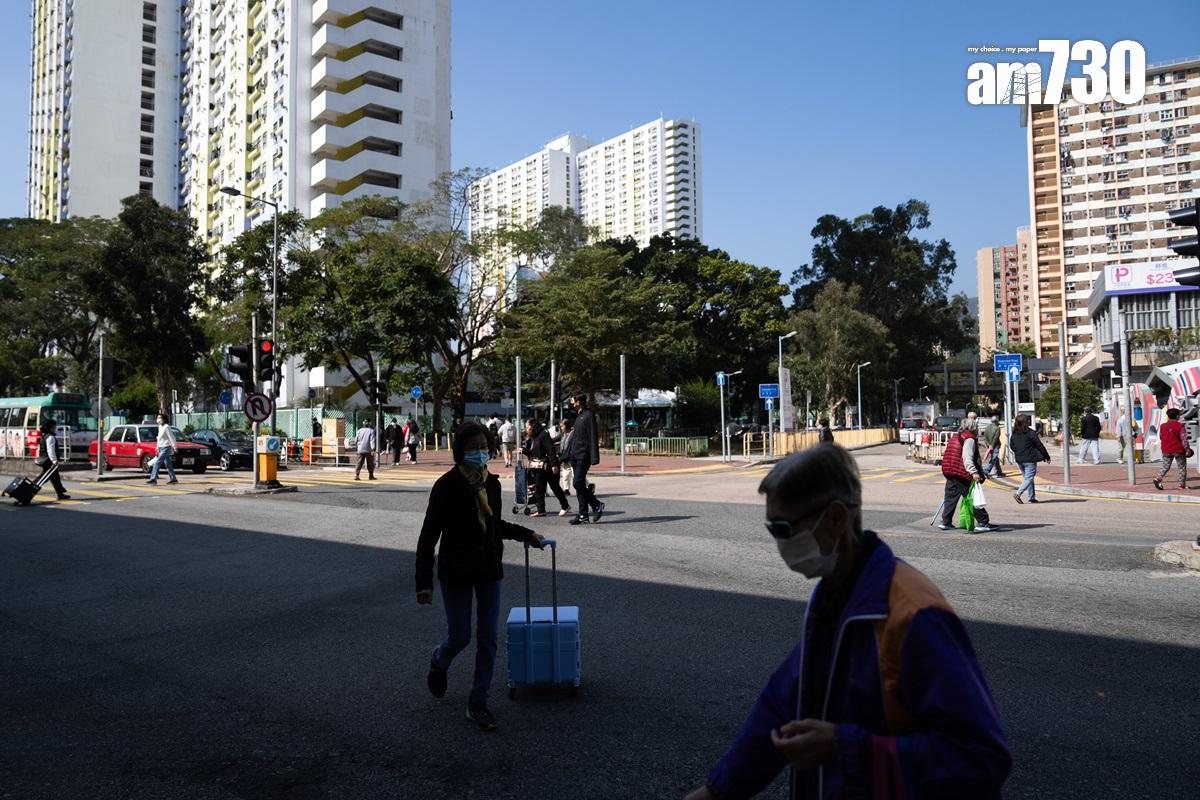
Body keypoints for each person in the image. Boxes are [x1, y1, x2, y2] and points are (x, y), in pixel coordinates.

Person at [684, 445, 1011, 800]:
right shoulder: (835, 593)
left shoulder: (913, 613)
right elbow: (784, 701)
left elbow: (981, 759)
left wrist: (845, 746)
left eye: (782, 528)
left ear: (837, 519)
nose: (779, 543)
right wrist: (717, 790)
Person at [416, 421, 545, 732]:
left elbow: (494, 525)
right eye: (472, 447)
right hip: (456, 570)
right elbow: (428, 535)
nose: (479, 451)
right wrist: (423, 583)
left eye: (483, 446)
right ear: (460, 451)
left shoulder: (492, 484)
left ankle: (478, 701)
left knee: (488, 639)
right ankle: (440, 659)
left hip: (488, 568)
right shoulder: (446, 486)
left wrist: (526, 534)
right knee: (460, 636)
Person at [938, 417, 994, 533]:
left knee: (950, 498)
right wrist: (974, 472)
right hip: (961, 472)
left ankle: (945, 521)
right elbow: (967, 458)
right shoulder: (969, 439)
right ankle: (983, 521)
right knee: (973, 496)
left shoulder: (955, 437)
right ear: (973, 428)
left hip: (950, 470)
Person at [565, 394, 603, 525]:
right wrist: (567, 454)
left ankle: (597, 504)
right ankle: (583, 515)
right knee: (579, 486)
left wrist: (594, 457)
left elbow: (593, 436)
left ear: (578, 402)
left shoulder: (588, 415)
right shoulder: (578, 416)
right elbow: (574, 438)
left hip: (584, 455)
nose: (571, 403)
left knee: (577, 483)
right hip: (575, 456)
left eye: (573, 401)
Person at [522, 418, 571, 517]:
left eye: (528, 427)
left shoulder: (543, 435)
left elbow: (551, 449)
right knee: (539, 488)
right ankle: (541, 510)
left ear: (533, 426)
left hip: (548, 466)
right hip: (539, 467)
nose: (526, 429)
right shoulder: (534, 437)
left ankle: (565, 506)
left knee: (555, 487)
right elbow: (535, 453)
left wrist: (554, 465)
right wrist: (524, 451)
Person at [1010, 413, 1050, 504]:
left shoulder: (1014, 434)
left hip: (1019, 459)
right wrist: (1046, 456)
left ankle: (1032, 497)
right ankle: (1018, 494)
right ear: (1026, 422)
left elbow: (1012, 446)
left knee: (1027, 478)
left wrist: (1019, 452)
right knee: (1029, 478)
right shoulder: (1031, 433)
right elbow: (1039, 445)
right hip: (1030, 459)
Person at [33, 419, 70, 500]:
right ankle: (29, 491)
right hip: (49, 461)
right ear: (51, 427)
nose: (55, 428)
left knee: (55, 478)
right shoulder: (50, 437)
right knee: (43, 478)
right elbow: (50, 450)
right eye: (54, 426)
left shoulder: (44, 436)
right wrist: (54, 460)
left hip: (45, 460)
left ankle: (60, 494)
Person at [1153, 408, 1188, 491]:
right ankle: (1181, 485)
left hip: (1166, 449)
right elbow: (1184, 439)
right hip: (1178, 450)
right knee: (1182, 467)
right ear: (1177, 416)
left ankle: (1158, 478)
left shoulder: (1163, 426)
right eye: (1179, 414)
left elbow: (1161, 437)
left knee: (1165, 466)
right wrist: (1187, 448)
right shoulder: (1180, 426)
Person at [147, 413, 178, 485]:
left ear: (164, 419)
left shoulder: (167, 427)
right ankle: (173, 478)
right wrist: (157, 448)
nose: (158, 419)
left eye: (160, 418)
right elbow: (159, 439)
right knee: (168, 464)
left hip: (166, 447)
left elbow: (171, 437)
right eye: (157, 417)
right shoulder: (160, 427)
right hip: (161, 447)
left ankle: (153, 478)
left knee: (157, 462)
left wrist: (174, 447)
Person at [557, 418, 574, 496]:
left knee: (576, 476)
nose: (561, 428)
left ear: (566, 425)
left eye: (562, 426)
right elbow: (554, 439)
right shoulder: (562, 434)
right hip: (564, 458)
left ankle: (589, 486)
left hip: (572, 458)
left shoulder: (573, 433)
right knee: (565, 475)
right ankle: (566, 490)